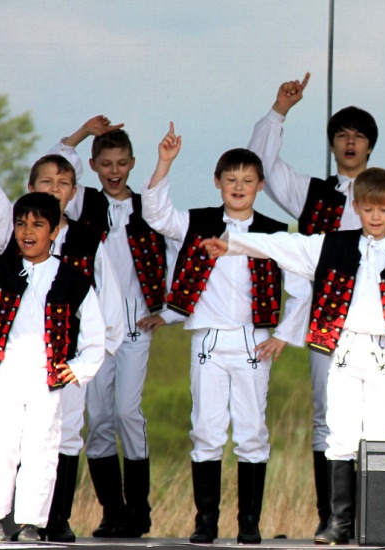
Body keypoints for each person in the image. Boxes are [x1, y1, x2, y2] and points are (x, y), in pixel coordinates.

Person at [248, 73, 385, 536]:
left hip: (380, 338)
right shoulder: (313, 194)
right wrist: (279, 112)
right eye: (341, 135)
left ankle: (370, 519)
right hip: (328, 328)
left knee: (378, 424)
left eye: (358, 136)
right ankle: (333, 518)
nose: (349, 142)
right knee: (329, 418)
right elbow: (260, 166)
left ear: (370, 146)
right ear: (332, 144)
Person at [201, 166, 385, 545]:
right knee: (340, 432)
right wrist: (233, 244)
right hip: (344, 351)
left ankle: (373, 522)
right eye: (368, 209)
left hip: (384, 356)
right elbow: (284, 245)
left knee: (378, 434)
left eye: (383, 210)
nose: (375, 217)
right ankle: (339, 523)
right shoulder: (332, 245)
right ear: (356, 207)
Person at [141, 123, 307, 544]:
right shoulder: (197, 222)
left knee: (252, 432)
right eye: (231, 179)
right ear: (217, 182)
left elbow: (302, 286)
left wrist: (284, 333)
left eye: (247, 180)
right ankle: (206, 522)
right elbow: (156, 215)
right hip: (209, 339)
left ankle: (249, 523)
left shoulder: (274, 231)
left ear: (260, 185)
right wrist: (164, 163)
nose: (239, 187)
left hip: (255, 340)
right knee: (206, 430)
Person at [48, 116, 178, 538]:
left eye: (122, 163)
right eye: (106, 164)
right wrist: (81, 133)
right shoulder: (83, 202)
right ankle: (112, 512)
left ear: (132, 163)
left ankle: (138, 510)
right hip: (96, 325)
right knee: (99, 416)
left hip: (137, 320)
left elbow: (177, 251)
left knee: (126, 411)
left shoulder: (146, 208)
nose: (114, 171)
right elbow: (56, 171)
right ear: (94, 166)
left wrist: (167, 309)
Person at [0, 154, 124, 542]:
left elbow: (95, 333)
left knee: (43, 447)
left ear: (54, 231)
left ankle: (31, 522)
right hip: (6, 373)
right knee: (3, 446)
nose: (28, 232)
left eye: (38, 225)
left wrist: (80, 368)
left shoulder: (72, 279)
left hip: (48, 378)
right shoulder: (2, 270)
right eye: (22, 224)